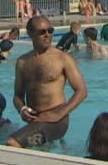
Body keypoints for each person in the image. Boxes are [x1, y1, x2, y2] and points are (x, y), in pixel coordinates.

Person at [7, 16, 88, 148]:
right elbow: (18, 95)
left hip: (57, 120)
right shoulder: (22, 62)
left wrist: (59, 114)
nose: (47, 35)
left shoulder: (62, 58)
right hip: (36, 119)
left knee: (13, 143)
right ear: (30, 33)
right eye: (42, 32)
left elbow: (82, 91)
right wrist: (22, 109)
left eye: (50, 31)